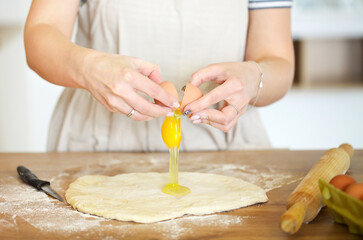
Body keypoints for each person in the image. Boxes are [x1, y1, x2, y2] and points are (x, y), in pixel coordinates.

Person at [24, 0, 294, 152]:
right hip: (99, 145)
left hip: (227, 149)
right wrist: (88, 66)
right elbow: (40, 33)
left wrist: (252, 78)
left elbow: (279, 63)